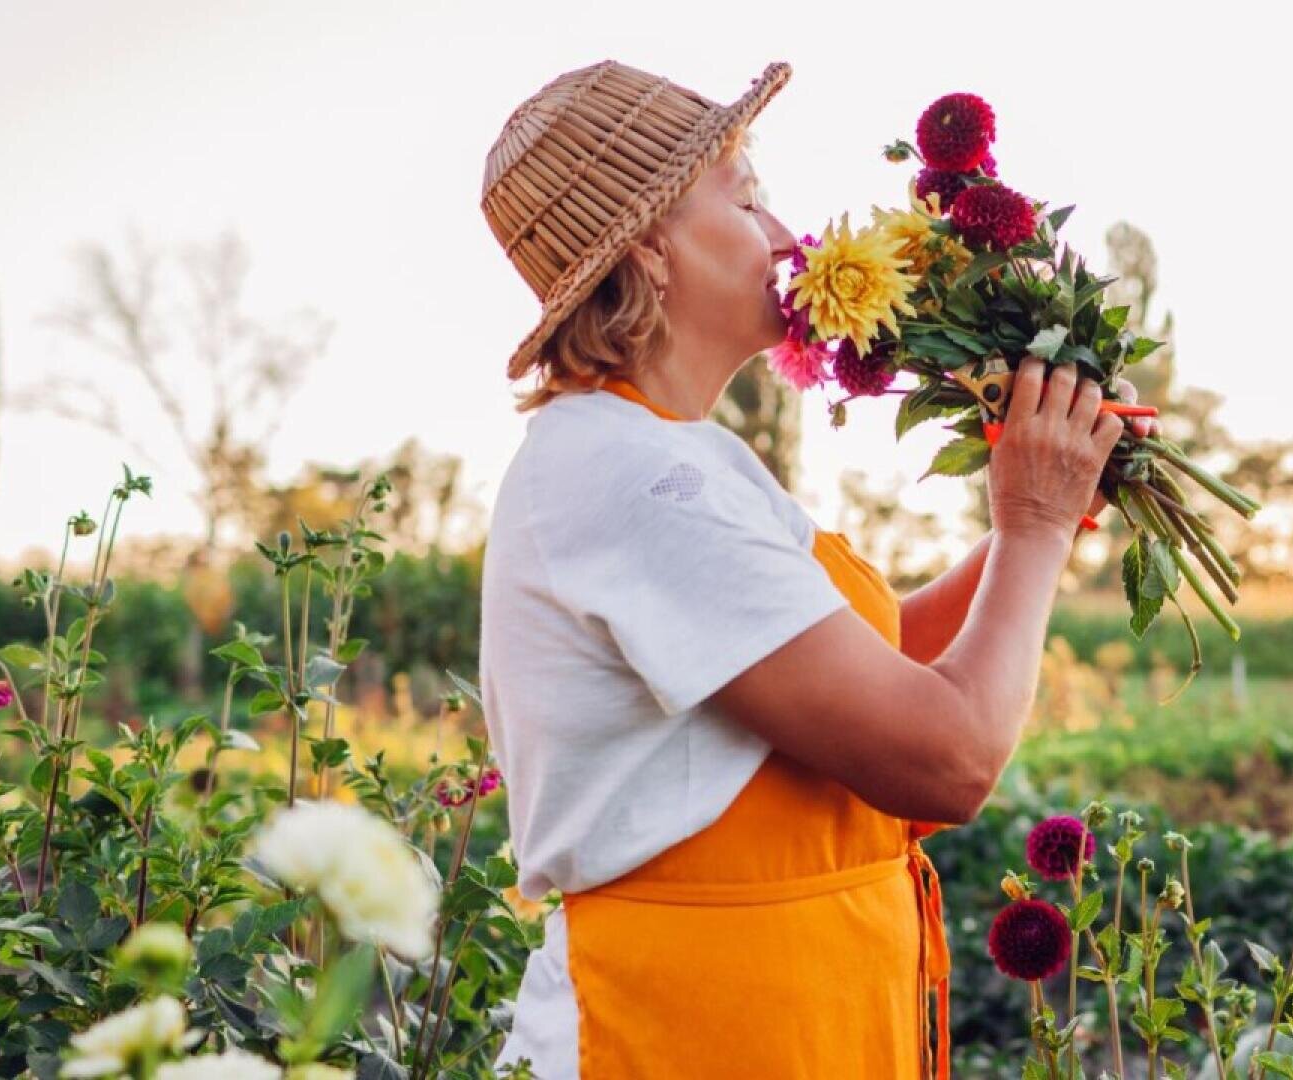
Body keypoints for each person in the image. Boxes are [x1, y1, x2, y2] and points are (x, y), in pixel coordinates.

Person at [476, 59, 1149, 1078]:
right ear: (651, 250)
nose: (789, 235)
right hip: (685, 1034)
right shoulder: (636, 480)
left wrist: (1061, 493)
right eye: (745, 200)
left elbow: (857, 667)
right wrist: (1033, 528)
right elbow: (947, 757)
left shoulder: (672, 455)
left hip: (778, 1021)